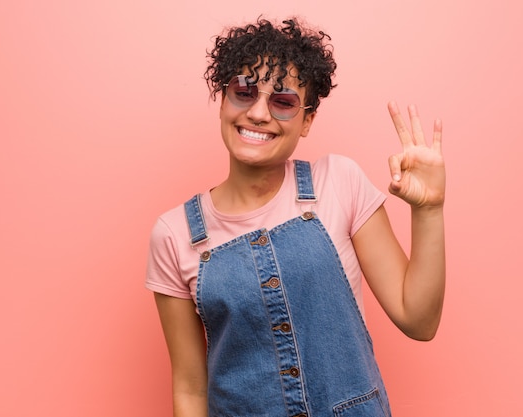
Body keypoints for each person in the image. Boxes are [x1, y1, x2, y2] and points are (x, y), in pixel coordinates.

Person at [145, 16, 445, 417]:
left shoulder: (338, 182)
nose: (258, 113)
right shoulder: (175, 234)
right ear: (222, 100)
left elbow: (418, 320)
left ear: (306, 122)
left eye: (282, 101)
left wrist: (428, 210)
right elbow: (190, 389)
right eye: (244, 92)